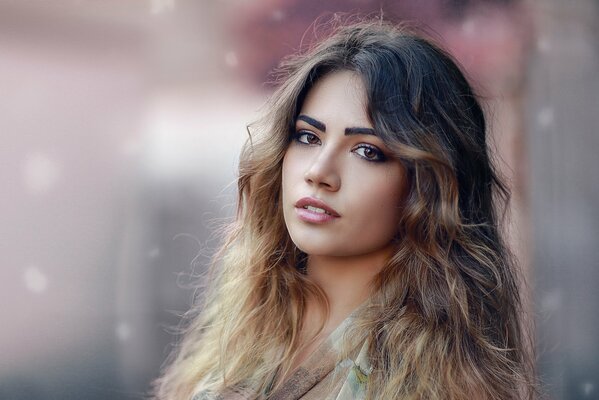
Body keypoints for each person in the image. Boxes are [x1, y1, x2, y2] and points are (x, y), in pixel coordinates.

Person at [153, 19, 536, 400]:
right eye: (308, 137)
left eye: (368, 151)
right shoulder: (237, 335)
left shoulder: (442, 387)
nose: (319, 172)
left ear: (428, 186)